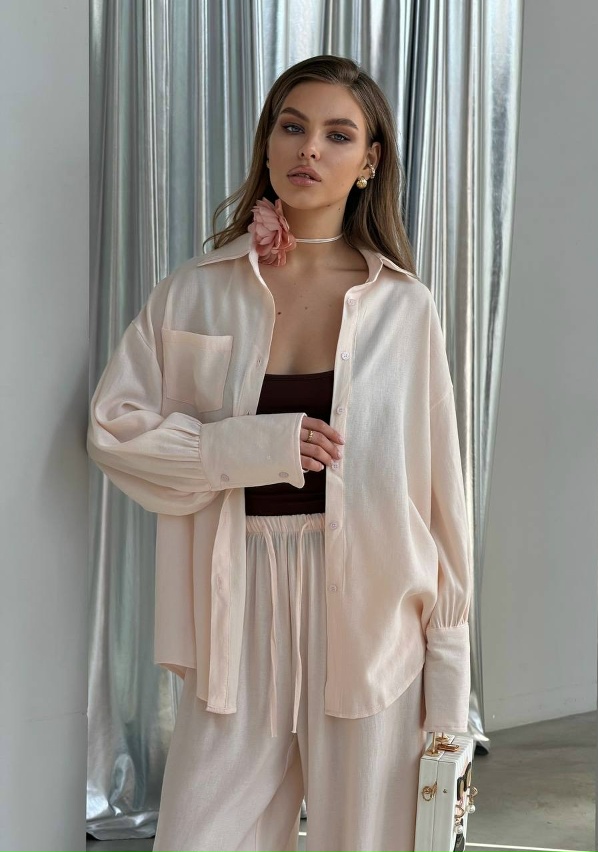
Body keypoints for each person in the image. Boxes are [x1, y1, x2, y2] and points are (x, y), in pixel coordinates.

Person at [87, 54, 472, 852]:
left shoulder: (405, 308)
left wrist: (448, 692)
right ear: (267, 143)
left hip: (372, 615)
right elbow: (114, 430)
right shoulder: (196, 290)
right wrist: (254, 446)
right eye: (293, 127)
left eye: (338, 135)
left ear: (369, 162)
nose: (310, 149)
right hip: (236, 604)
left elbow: (441, 506)